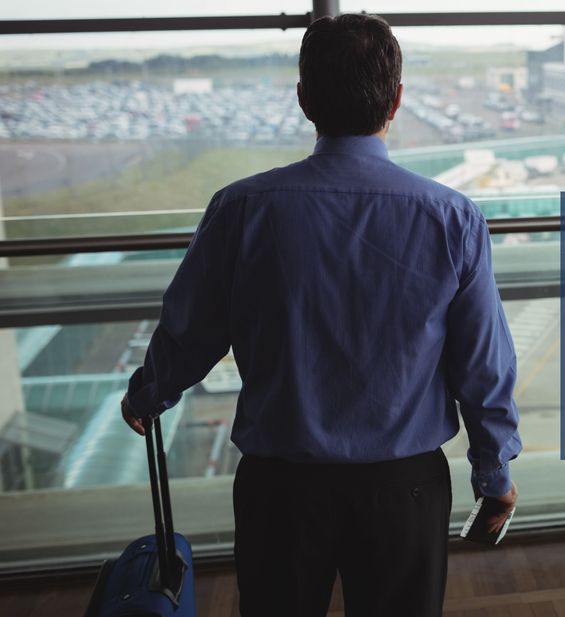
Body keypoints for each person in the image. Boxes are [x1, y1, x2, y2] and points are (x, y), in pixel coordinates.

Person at [119, 12, 522, 617]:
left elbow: (190, 330)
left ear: (304, 99)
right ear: (398, 100)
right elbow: (482, 364)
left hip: (280, 488)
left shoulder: (241, 208)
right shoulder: (452, 217)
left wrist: (149, 394)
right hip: (404, 487)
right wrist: (493, 475)